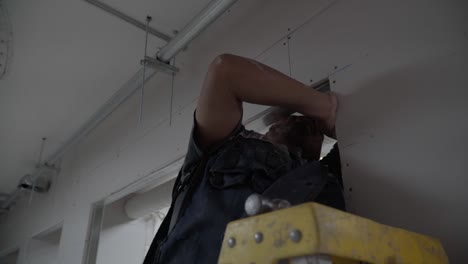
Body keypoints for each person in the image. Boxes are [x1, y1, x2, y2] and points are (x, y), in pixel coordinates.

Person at [143, 54, 342, 264]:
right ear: (264, 133)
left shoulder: (325, 178)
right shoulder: (217, 151)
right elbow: (225, 72)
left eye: (314, 128)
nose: (301, 121)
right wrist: (326, 108)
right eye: (286, 119)